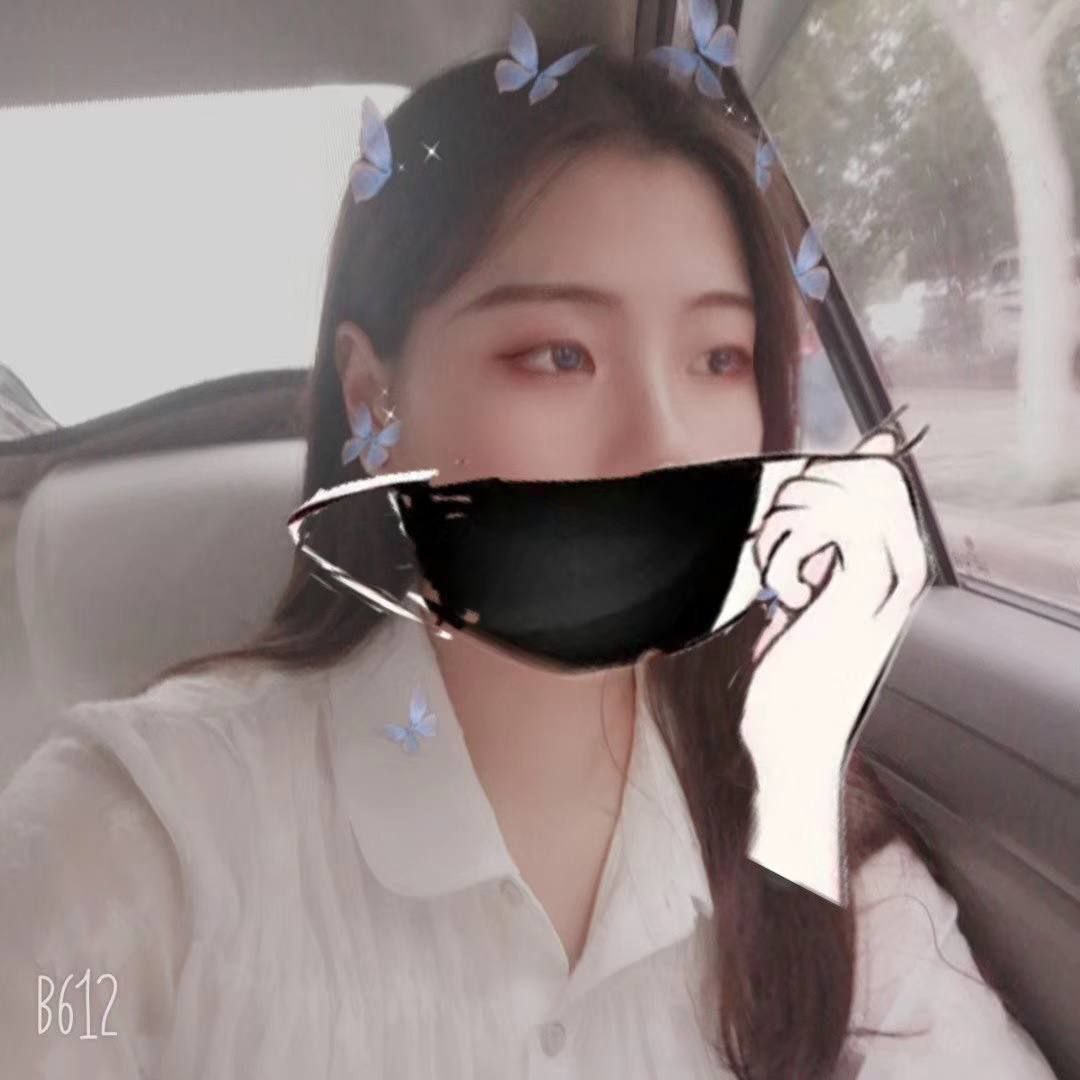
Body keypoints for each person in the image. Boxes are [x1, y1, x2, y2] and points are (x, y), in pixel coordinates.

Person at [0, 47, 1057, 1080]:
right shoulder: (134, 839)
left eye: (718, 358)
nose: (666, 450)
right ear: (373, 402)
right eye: (559, 355)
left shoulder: (812, 845)